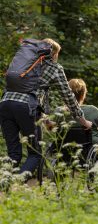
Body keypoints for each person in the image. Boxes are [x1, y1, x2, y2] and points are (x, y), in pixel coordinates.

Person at [0, 38, 92, 178]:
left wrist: (45, 117)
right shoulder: (55, 68)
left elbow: (40, 93)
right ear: (53, 54)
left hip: (5, 103)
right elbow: (68, 96)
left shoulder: (25, 62)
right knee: (35, 154)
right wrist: (83, 120)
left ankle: (4, 186)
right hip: (26, 108)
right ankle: (16, 182)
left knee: (13, 153)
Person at [56, 78, 98, 144]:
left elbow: (51, 129)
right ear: (83, 95)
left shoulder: (59, 111)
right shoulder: (92, 110)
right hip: (90, 147)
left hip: (64, 147)